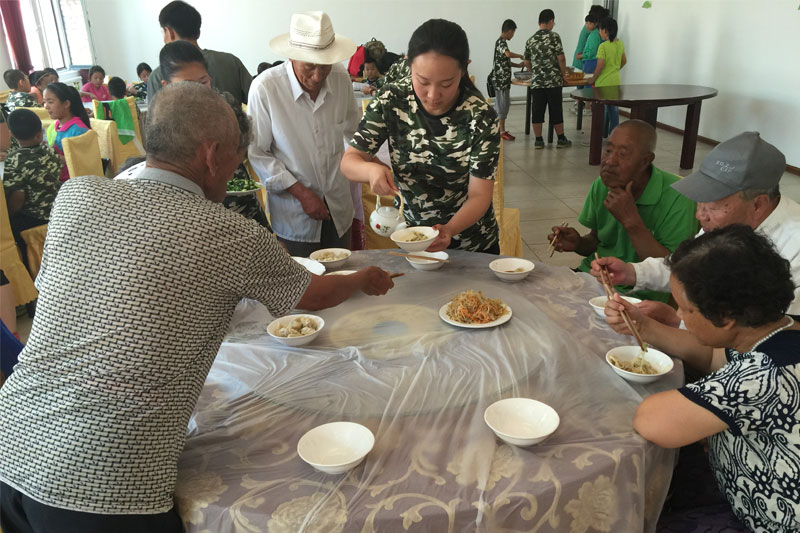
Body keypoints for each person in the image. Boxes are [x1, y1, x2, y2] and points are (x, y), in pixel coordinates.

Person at [0, 82, 395, 532]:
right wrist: (363, 278)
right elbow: (315, 295)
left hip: (10, 442)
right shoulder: (228, 232)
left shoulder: (77, 196)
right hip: (102, 485)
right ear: (211, 154)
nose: (234, 169)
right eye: (234, 155)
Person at [603, 225, 800, 533]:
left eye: (685, 308)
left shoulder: (765, 375)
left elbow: (653, 422)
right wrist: (642, 326)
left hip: (765, 516)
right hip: (733, 467)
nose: (678, 315)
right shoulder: (779, 327)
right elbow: (711, 357)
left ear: (725, 316)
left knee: (626, 512)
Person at [592, 131, 800, 320]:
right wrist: (631, 272)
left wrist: (677, 324)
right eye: (700, 202)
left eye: (713, 207)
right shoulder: (728, 223)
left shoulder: (795, 247)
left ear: (758, 204)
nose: (700, 215)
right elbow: (689, 265)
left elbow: (779, 335)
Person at [341, 18, 501, 254]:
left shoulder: (481, 116)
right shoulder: (391, 100)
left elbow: (479, 195)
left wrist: (448, 229)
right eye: (423, 81)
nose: (433, 95)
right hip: (414, 240)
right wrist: (371, 170)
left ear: (464, 69)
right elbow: (349, 161)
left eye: (447, 84)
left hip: (473, 245)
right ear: (408, 64)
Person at [120, 40, 270, 231]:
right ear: (166, 86)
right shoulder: (164, 121)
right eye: (188, 85)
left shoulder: (223, 109)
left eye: (203, 82)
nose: (199, 92)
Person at [248, 11, 361, 255]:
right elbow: (257, 152)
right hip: (294, 216)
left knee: (342, 282)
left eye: (325, 66)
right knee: (303, 285)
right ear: (292, 56)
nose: (318, 76)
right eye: (310, 66)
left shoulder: (341, 78)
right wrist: (301, 193)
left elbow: (356, 134)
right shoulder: (266, 88)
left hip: (338, 207)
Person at [548, 120, 697, 301]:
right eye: (608, 150)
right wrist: (578, 243)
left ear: (645, 161)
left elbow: (672, 271)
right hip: (595, 278)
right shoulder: (602, 186)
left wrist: (630, 220)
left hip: (641, 294)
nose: (609, 161)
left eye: (623, 154)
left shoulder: (679, 196)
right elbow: (597, 242)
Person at [147, 1, 251, 105]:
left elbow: (155, 119)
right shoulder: (231, 61)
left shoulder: (158, 76)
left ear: (170, 32)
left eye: (163, 32)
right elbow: (255, 101)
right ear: (198, 33)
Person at [3, 109, 62, 267]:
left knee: (9, 230)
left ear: (13, 135)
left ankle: (27, 268)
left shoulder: (13, 159)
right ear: (39, 134)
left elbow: (18, 197)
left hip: (33, 218)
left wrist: (9, 215)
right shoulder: (50, 151)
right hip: (57, 211)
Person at [523, 9, 571, 149]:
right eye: (553, 22)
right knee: (556, 110)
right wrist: (563, 75)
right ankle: (561, 139)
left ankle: (538, 140)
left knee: (537, 111)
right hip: (554, 81)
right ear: (550, 21)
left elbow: (526, 62)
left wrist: (536, 71)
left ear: (539, 22)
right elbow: (561, 58)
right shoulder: (555, 37)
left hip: (537, 82)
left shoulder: (530, 40)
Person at [585, 17, 626, 137]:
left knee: (601, 110)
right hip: (615, 81)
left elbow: (600, 66)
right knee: (613, 109)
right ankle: (614, 134)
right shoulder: (620, 43)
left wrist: (593, 78)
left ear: (605, 31)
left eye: (600, 30)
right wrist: (614, 69)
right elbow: (624, 60)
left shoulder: (603, 46)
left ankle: (597, 135)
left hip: (603, 82)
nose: (599, 32)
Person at [42, 82, 91, 182]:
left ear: (66, 104)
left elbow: (83, 164)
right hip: (57, 178)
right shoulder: (53, 127)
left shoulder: (79, 130)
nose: (46, 106)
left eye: (50, 102)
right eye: (44, 102)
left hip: (74, 183)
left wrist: (52, 155)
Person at [491, 19, 525, 141]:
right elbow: (508, 55)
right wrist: (520, 56)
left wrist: (519, 65)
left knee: (502, 104)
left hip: (502, 80)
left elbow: (506, 62)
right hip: (501, 81)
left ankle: (499, 129)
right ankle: (501, 131)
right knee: (502, 105)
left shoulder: (500, 43)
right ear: (510, 31)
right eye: (513, 32)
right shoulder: (502, 42)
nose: (513, 35)